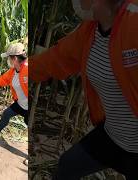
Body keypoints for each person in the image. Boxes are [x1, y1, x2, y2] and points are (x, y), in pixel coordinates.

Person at [30, 0, 138, 179]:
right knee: (68, 166)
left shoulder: (134, 22)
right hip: (113, 137)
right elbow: (56, 59)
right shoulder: (89, 31)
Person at [0, 43, 28, 136]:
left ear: (15, 58)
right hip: (20, 104)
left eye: (9, 58)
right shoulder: (13, 71)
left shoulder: (28, 69)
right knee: (7, 113)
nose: (8, 60)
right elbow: (2, 80)